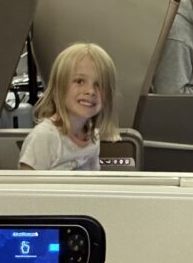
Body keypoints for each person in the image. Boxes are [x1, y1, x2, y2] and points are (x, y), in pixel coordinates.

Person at [19, 43, 119, 171]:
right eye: (79, 81)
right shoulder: (43, 137)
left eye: (99, 85)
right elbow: (28, 189)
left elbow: (93, 184)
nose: (90, 91)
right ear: (58, 87)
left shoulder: (93, 137)